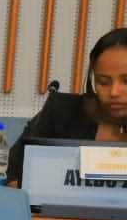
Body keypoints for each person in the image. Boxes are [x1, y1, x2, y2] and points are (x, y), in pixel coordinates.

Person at [7, 27, 127, 184]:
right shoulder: (62, 111)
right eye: (103, 82)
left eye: (126, 81)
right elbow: (13, 174)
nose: (114, 92)